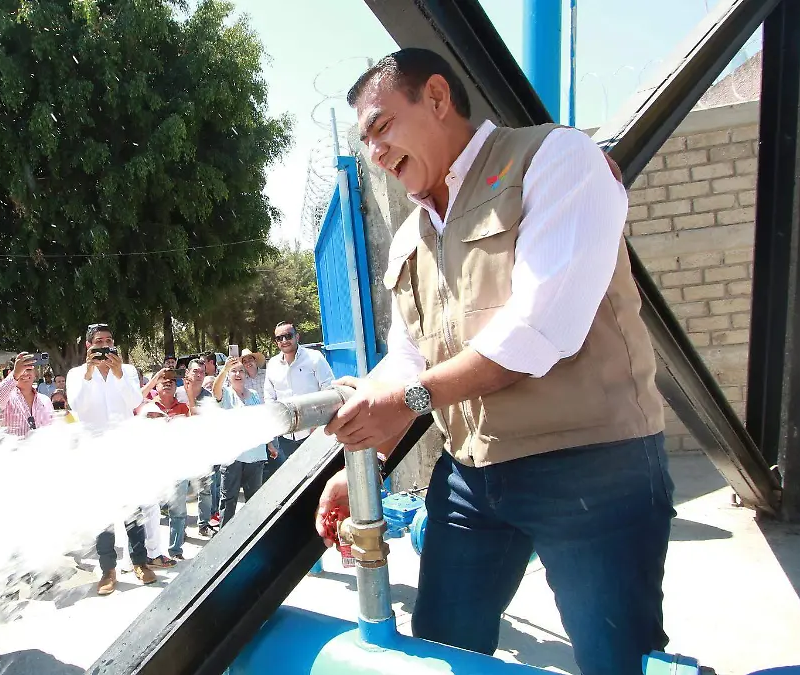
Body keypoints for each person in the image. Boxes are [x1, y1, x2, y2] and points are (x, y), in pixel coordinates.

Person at [316, 49, 670, 675]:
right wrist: (359, 459)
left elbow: (536, 333)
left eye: (380, 127)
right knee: (441, 651)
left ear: (435, 96)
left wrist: (406, 402)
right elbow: (405, 359)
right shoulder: (412, 236)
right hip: (473, 479)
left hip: (592, 469)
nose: (374, 152)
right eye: (366, 140)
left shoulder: (556, 162)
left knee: (618, 659)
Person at [65, 322, 157, 594]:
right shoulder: (76, 374)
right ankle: (108, 569)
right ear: (88, 346)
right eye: (99, 341)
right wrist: (90, 372)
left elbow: (132, 402)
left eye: (108, 340)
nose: (105, 346)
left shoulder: (127, 371)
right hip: (95, 455)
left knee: (133, 511)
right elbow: (77, 406)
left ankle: (140, 562)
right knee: (103, 515)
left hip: (125, 451)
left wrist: (117, 374)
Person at [263, 321, 334, 480]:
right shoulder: (273, 364)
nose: (284, 341)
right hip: (287, 435)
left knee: (320, 476)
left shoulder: (314, 358)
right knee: (296, 480)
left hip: (314, 432)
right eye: (279, 338)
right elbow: (269, 397)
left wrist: (318, 423)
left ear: (297, 336)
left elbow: (329, 389)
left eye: (288, 336)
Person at [212, 357, 276, 526]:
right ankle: (224, 541)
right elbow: (214, 390)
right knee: (229, 501)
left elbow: (262, 422)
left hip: (255, 456)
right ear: (228, 375)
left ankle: (253, 535)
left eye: (241, 370)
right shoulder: (225, 393)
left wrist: (269, 444)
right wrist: (224, 369)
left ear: (246, 374)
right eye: (234, 371)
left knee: (254, 501)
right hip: (233, 457)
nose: (238, 374)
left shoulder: (254, 395)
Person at [141, 373, 191, 562]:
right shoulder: (147, 407)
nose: (168, 384)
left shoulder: (183, 407)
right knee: (150, 511)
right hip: (153, 467)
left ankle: (175, 549)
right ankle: (151, 553)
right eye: (164, 382)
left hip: (178, 464)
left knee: (178, 510)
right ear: (157, 386)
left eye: (172, 382)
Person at [178, 359, 221, 537]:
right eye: (195, 371)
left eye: (202, 372)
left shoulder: (208, 397)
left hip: (202, 450)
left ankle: (203, 524)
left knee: (205, 491)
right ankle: (180, 531)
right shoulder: (177, 393)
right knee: (180, 494)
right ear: (187, 373)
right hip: (180, 450)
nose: (199, 375)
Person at [0, 352, 55, 436]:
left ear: (35, 373)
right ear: (10, 373)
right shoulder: (7, 398)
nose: (25, 373)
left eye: (29, 369)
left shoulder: (45, 400)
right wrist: (15, 375)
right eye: (21, 370)